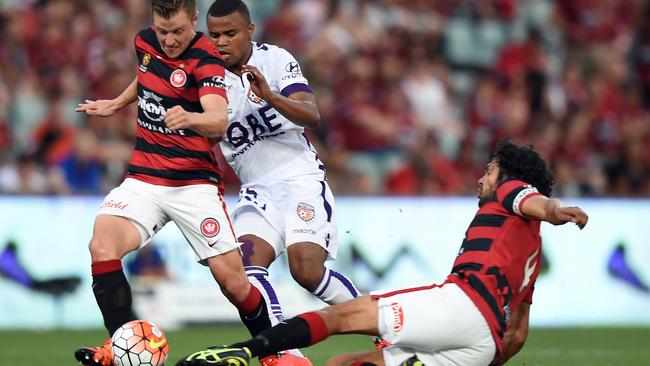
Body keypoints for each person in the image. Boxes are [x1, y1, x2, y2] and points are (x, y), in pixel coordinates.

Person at [176, 140, 589, 366]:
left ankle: (244, 352)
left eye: (491, 169)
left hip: (462, 305)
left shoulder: (509, 195)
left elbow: (532, 200)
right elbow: (516, 334)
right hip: (485, 347)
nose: (483, 176)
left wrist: (555, 212)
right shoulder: (530, 251)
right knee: (348, 365)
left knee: (342, 317)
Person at [73, 1, 272, 365]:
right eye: (162, 31)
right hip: (143, 179)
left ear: (194, 20)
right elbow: (148, 74)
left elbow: (217, 120)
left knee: (233, 282)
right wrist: (117, 103)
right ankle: (118, 348)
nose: (168, 40)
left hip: (193, 184)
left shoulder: (206, 58)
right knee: (102, 245)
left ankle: (275, 352)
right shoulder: (144, 42)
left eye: (178, 31)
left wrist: (191, 117)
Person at [205, 0, 360, 354]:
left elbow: (311, 114)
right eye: (214, 35)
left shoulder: (275, 60)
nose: (221, 42)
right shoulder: (207, 79)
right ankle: (282, 353)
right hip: (256, 191)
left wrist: (270, 96)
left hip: (298, 179)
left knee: (306, 271)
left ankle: (380, 326)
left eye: (230, 33)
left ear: (249, 30)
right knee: (246, 268)